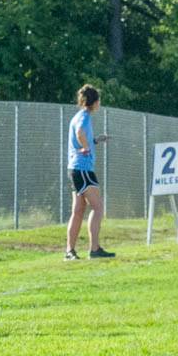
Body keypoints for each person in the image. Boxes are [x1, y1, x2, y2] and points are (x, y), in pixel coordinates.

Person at [65, 84, 114, 260]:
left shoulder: (78, 116)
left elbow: (81, 135)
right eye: (99, 100)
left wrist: (94, 141)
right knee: (98, 207)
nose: (99, 104)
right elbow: (79, 133)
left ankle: (69, 251)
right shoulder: (84, 117)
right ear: (94, 102)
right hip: (83, 168)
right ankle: (94, 249)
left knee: (78, 210)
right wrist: (86, 147)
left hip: (74, 168)